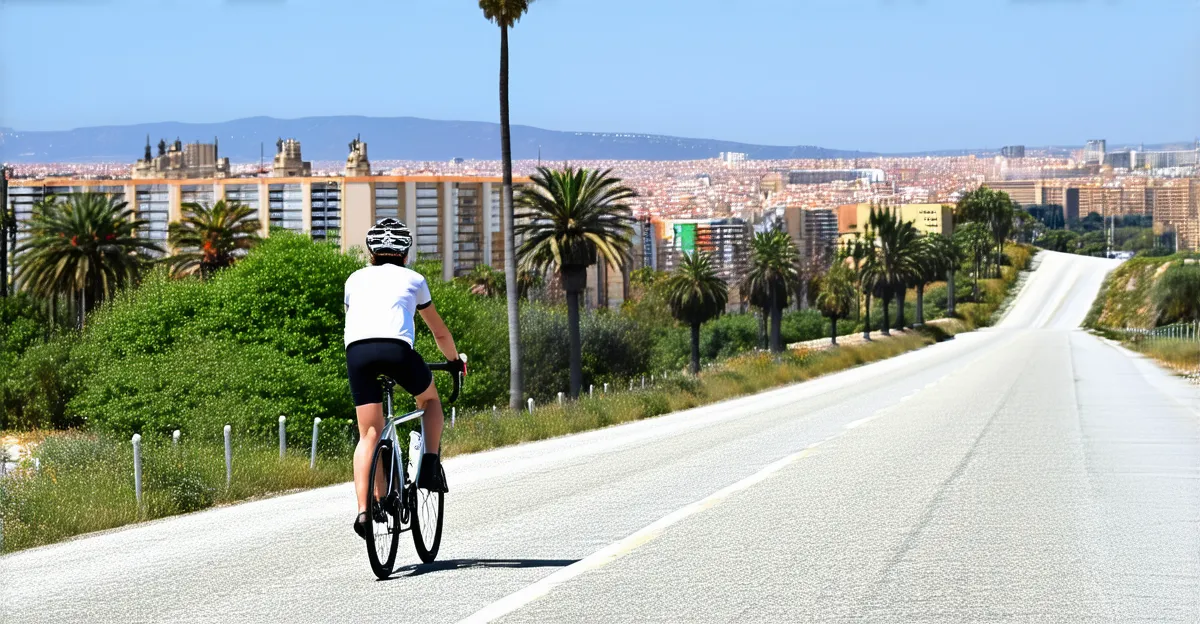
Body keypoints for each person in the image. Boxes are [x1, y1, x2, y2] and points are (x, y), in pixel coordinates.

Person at [343, 217, 463, 539]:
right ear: (405, 253)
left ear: (371, 252)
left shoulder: (354, 279)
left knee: (369, 433)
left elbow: (356, 319)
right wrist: (454, 362)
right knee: (429, 400)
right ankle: (429, 466)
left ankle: (367, 509)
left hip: (357, 353)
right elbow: (438, 331)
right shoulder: (414, 279)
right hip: (397, 351)